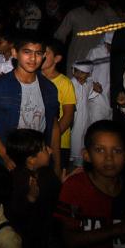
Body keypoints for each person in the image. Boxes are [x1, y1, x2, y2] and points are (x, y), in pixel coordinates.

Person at [53, 120, 125, 248]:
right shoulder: (75, 187)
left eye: (117, 151)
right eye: (100, 150)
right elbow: (68, 239)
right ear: (86, 155)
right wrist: (120, 228)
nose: (109, 158)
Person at [0, 30, 61, 171]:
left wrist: (57, 165)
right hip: (5, 158)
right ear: (14, 53)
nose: (33, 58)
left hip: (38, 159)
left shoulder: (49, 88)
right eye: (27, 52)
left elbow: (54, 127)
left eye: (38, 53)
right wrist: (5, 156)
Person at [4, 129, 60, 248]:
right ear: (31, 160)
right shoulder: (21, 182)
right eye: (44, 148)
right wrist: (30, 199)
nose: (50, 150)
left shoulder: (44, 175)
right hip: (26, 245)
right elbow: (12, 216)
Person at [55, 0, 119, 76]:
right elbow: (59, 36)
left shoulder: (104, 14)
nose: (92, 1)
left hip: (97, 61)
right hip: (77, 59)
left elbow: (119, 26)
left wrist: (108, 9)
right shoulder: (74, 14)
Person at [41, 39, 77, 170]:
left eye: (46, 53)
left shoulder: (65, 83)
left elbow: (68, 116)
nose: (42, 55)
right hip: (38, 142)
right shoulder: (34, 78)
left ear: (57, 58)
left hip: (60, 142)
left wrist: (51, 137)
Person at [70, 60, 96, 167]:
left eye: (83, 72)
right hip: (74, 117)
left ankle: (80, 165)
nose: (79, 75)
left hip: (85, 116)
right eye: (77, 72)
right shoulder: (70, 83)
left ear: (89, 74)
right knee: (74, 138)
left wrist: (96, 89)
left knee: (83, 137)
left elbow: (89, 95)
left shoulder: (89, 83)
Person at [85, 32, 113, 123]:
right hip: (96, 99)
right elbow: (84, 72)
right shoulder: (95, 52)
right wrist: (92, 84)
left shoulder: (119, 53)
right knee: (95, 127)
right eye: (109, 44)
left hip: (111, 101)